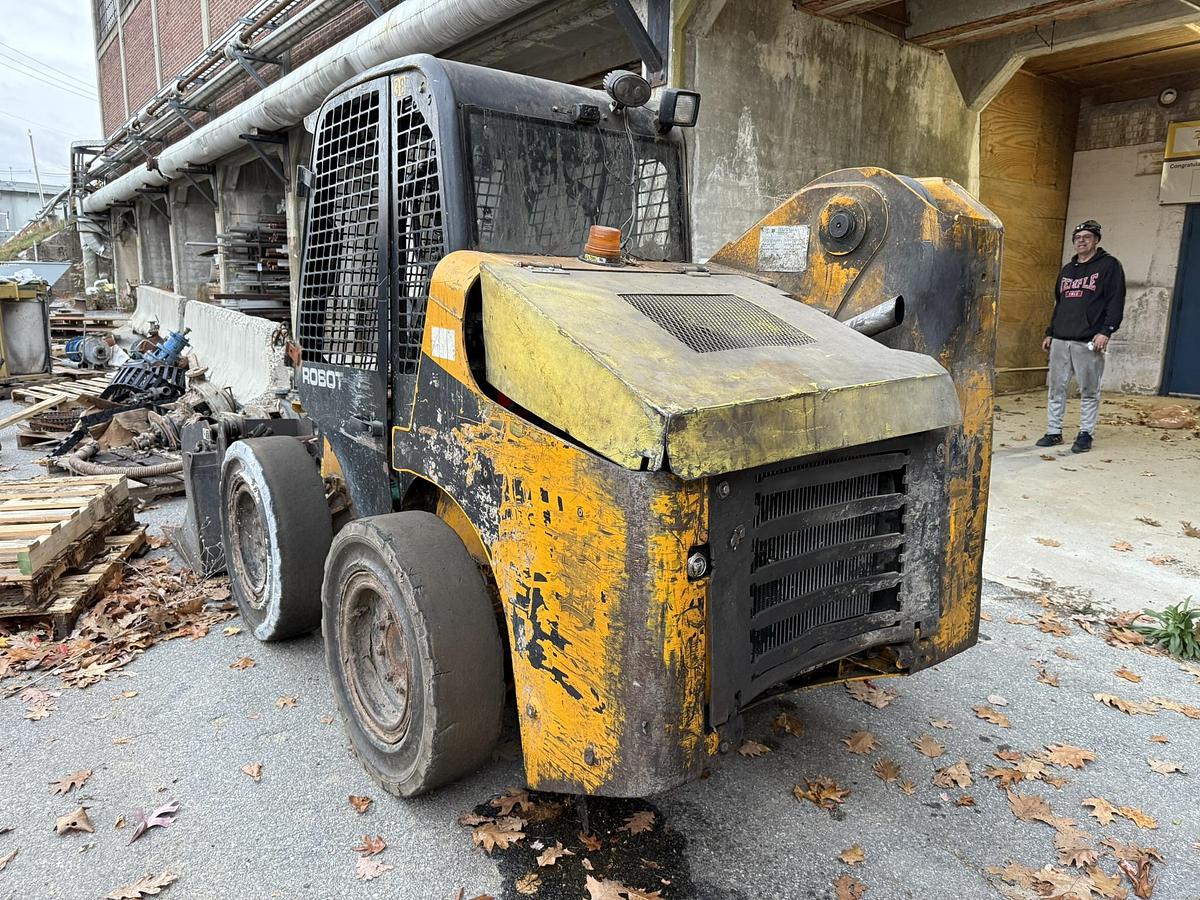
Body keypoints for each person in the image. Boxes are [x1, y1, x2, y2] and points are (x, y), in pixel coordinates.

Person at [1035, 219, 1125, 454]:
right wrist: (1050, 332)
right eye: (1077, 238)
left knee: (1089, 390)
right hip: (1061, 339)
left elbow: (1116, 301)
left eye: (1086, 237)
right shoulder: (1067, 270)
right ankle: (1054, 432)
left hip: (1088, 340)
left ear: (1096, 240)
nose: (1081, 241)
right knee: (1056, 388)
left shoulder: (1109, 266)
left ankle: (1085, 434)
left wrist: (1106, 331)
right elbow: (1060, 303)